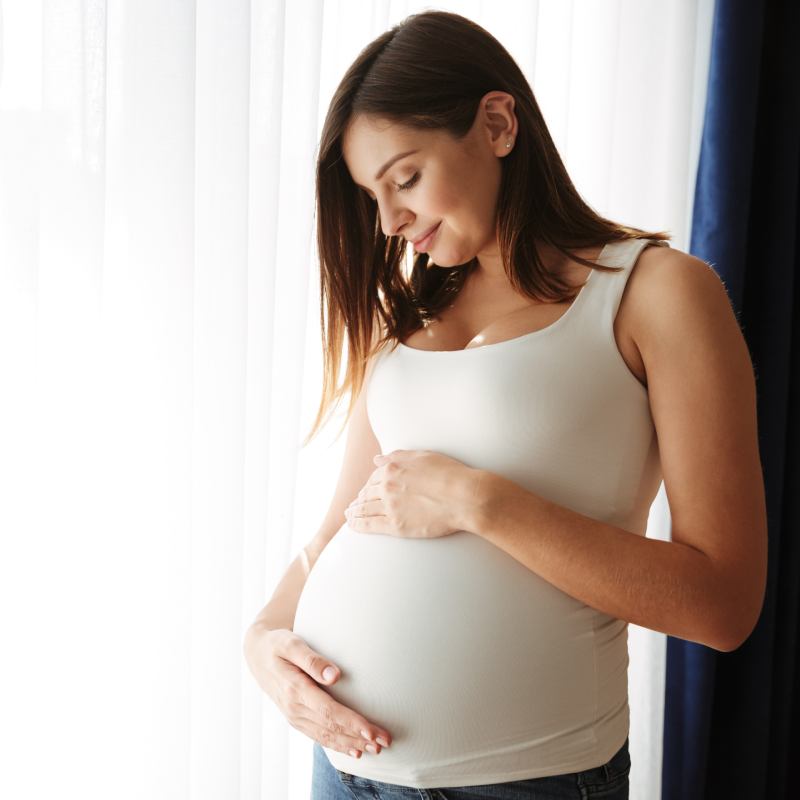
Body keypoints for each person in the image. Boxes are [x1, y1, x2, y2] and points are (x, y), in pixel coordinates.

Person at [243, 10, 767, 800]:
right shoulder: (407, 320)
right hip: (344, 773)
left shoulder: (656, 294)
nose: (389, 223)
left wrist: (477, 499)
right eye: (370, 197)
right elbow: (336, 529)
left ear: (495, 123)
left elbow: (724, 604)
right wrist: (263, 643)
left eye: (406, 178)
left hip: (526, 782)